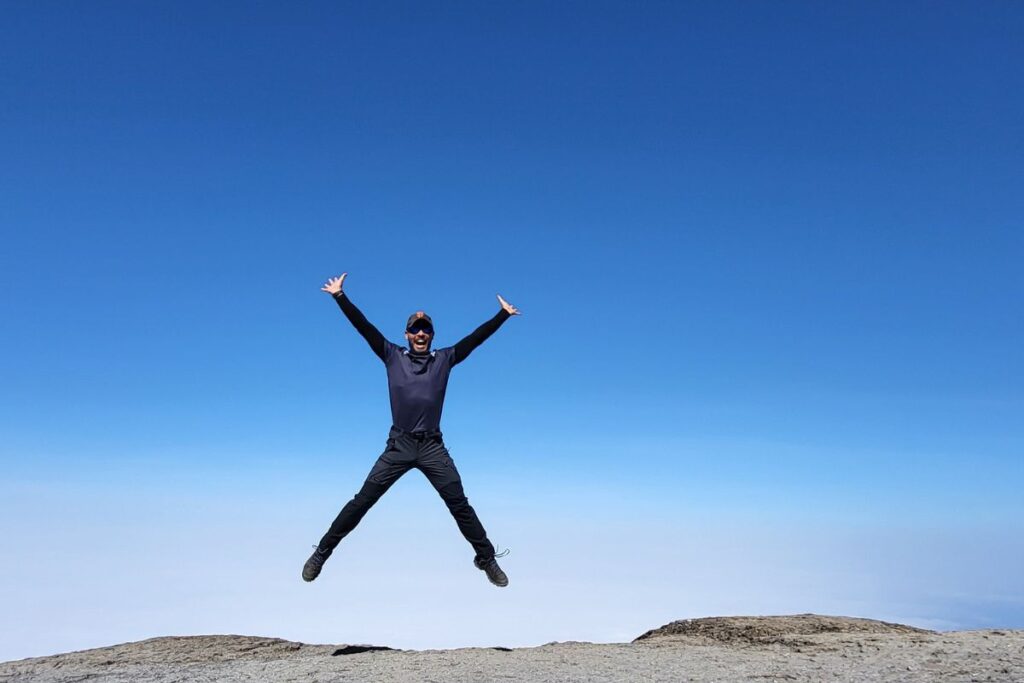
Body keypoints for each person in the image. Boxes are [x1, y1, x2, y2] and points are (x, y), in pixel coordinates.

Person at [302, 272, 520, 587]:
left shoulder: (444, 359)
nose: (420, 333)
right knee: (362, 501)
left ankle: (486, 558)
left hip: (432, 446)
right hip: (399, 445)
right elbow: (364, 327)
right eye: (415, 329)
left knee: (459, 504)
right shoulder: (392, 356)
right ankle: (322, 552)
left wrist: (502, 315)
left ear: (432, 335)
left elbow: (474, 340)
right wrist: (340, 296)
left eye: (425, 329)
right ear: (406, 335)